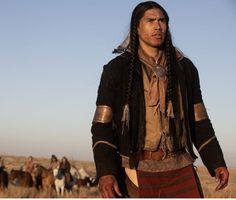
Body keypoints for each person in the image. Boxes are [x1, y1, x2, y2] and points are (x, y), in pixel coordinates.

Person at [91, 1, 229, 198]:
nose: (158, 26)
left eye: (162, 20)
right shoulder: (117, 70)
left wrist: (216, 161)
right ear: (136, 27)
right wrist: (106, 171)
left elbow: (199, 120)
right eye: (150, 20)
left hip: (180, 166)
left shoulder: (185, 69)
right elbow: (101, 126)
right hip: (136, 170)